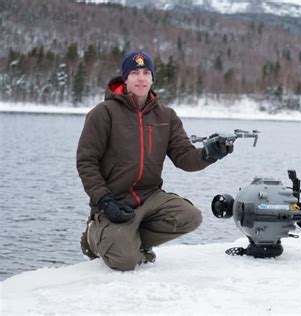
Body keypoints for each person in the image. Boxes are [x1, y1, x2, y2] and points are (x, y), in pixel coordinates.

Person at [77, 50, 232, 271]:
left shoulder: (166, 116)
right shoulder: (103, 114)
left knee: (190, 216)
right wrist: (104, 200)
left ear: (152, 78)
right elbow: (86, 162)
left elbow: (184, 158)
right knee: (125, 262)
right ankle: (94, 236)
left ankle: (130, 238)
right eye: (134, 72)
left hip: (149, 197)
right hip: (114, 200)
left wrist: (209, 154)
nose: (141, 78)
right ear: (125, 78)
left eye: (146, 72)